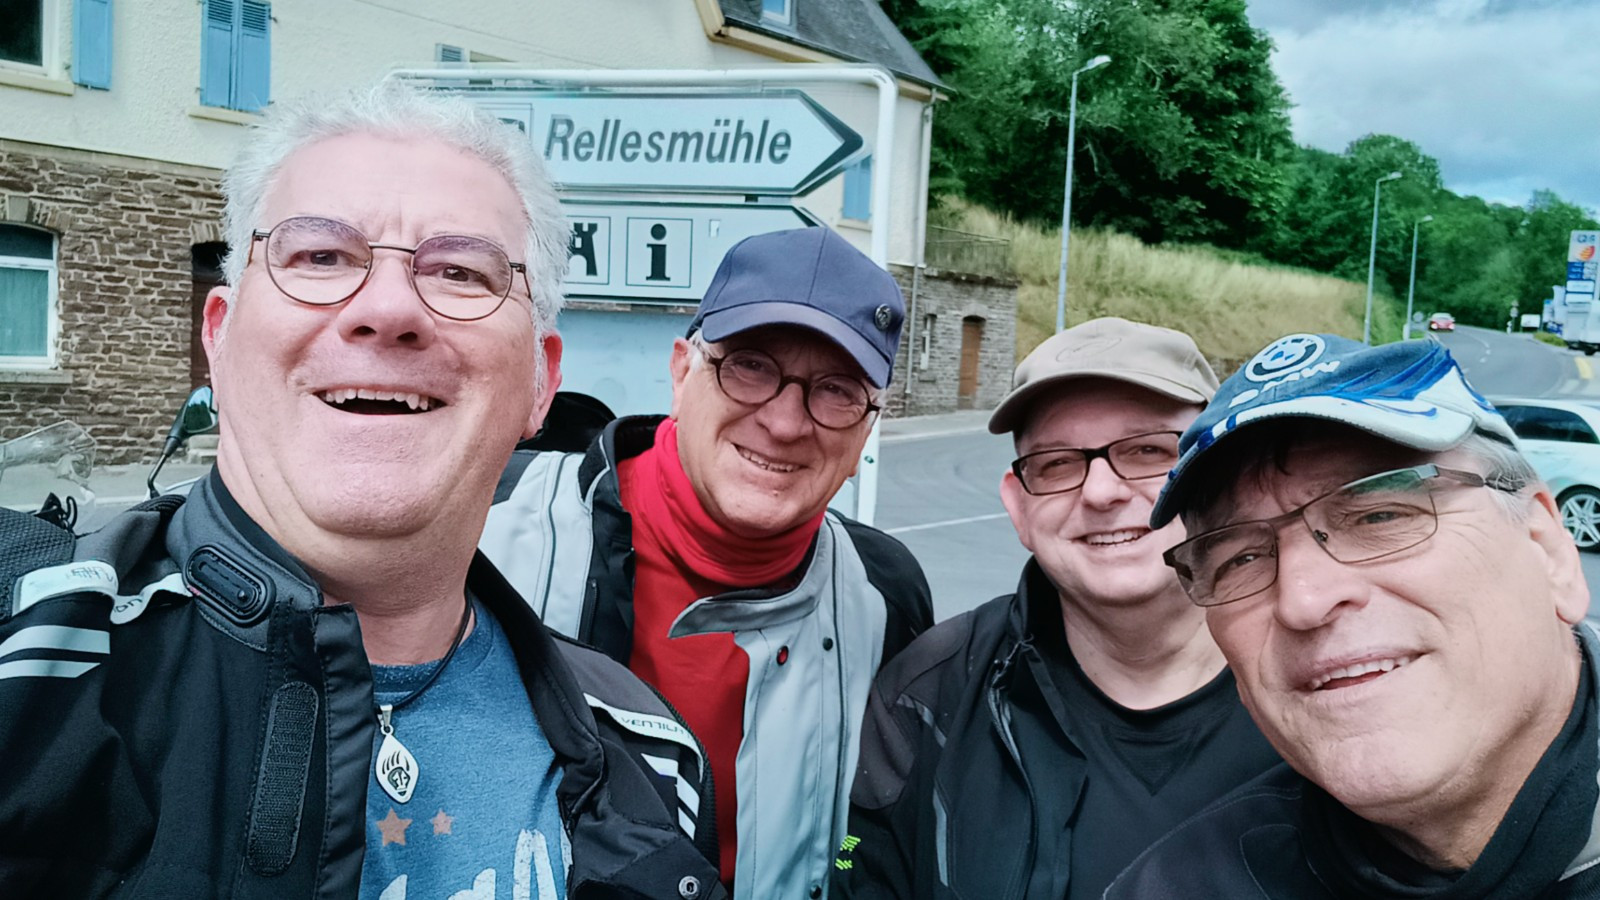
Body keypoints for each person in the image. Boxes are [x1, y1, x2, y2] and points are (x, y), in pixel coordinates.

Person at [0, 82, 724, 900]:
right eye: (320, 257)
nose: (386, 308)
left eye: (460, 271)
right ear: (220, 340)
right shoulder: (25, 662)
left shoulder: (648, 758)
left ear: (539, 383)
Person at [480, 226, 933, 899]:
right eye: (749, 366)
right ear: (681, 371)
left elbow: (873, 837)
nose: (785, 422)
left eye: (837, 390)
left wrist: (847, 876)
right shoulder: (489, 529)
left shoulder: (885, 597)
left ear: (867, 426)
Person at [1107, 333, 1600, 898]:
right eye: (1240, 558)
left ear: (1549, 551)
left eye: (1379, 515)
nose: (1303, 601)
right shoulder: (1179, 886)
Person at [831, 317, 1281, 899]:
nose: (1101, 491)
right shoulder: (927, 699)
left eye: (1148, 451)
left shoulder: (1327, 679)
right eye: (1058, 463)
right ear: (1018, 507)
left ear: (1218, 475)